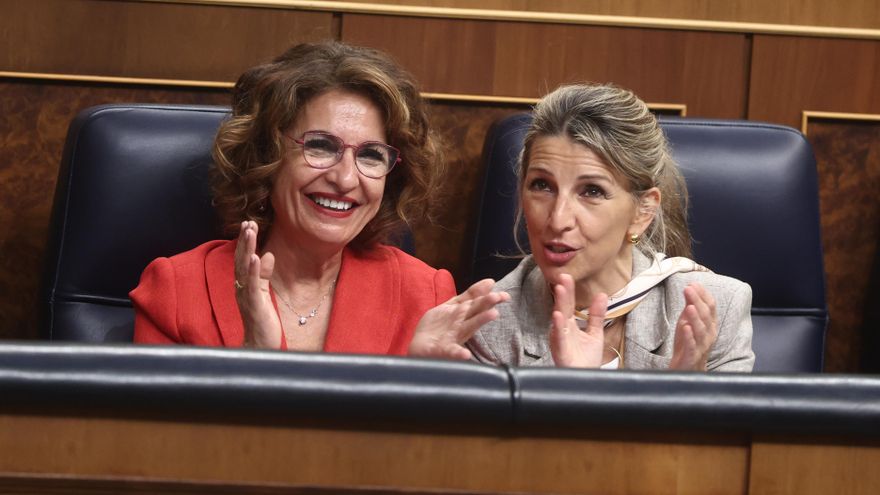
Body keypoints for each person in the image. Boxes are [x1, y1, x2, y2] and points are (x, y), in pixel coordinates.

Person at [130, 40, 506, 353]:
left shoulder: (425, 295)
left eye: (371, 155)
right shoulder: (177, 292)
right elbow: (149, 442)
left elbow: (432, 445)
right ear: (268, 156)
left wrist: (416, 382)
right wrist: (253, 360)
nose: (345, 178)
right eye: (321, 146)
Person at [440, 83, 754, 371]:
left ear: (642, 212)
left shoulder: (718, 309)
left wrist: (687, 394)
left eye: (591, 191)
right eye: (542, 185)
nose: (558, 220)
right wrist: (571, 388)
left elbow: (740, 433)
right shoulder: (489, 326)